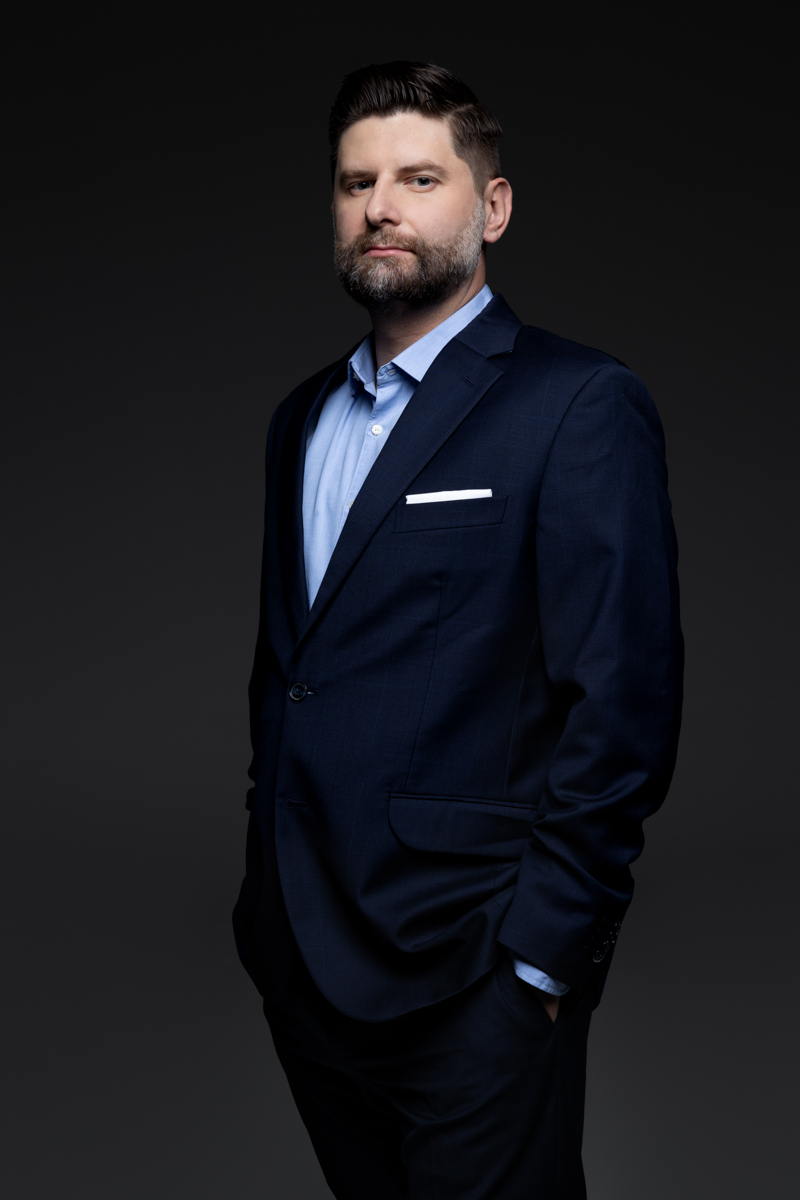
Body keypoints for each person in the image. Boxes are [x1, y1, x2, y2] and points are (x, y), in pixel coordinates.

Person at [233, 60, 683, 1199]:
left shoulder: (576, 404)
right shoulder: (299, 419)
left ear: (493, 208)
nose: (380, 207)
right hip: (304, 962)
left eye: (419, 178)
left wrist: (540, 963)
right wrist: (263, 911)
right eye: (357, 183)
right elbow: (293, 674)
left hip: (472, 970)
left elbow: (623, 702)